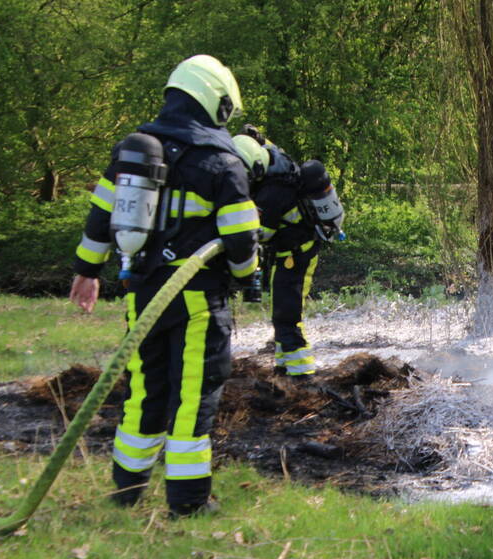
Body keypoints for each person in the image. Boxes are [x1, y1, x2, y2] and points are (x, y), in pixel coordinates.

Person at [69, 55, 260, 516]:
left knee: (144, 388)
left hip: (144, 293)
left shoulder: (134, 151)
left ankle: (126, 489)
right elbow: (240, 238)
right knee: (193, 394)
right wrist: (244, 279)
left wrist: (87, 271)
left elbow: (101, 216)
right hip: (197, 297)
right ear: (216, 105)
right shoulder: (222, 162)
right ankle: (190, 503)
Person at [237, 126, 345, 378]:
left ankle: (302, 374)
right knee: (281, 312)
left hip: (297, 254)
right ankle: (284, 367)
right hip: (290, 252)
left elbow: (262, 233)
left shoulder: (273, 192)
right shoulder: (274, 166)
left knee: (288, 314)